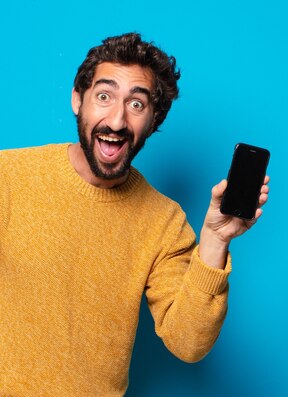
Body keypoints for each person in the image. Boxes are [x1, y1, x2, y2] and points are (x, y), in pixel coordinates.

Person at [0, 32, 270, 395]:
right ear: (77, 100)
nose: (116, 120)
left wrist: (215, 239)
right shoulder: (9, 177)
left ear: (154, 120)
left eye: (137, 105)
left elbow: (188, 343)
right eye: (104, 96)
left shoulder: (164, 223)